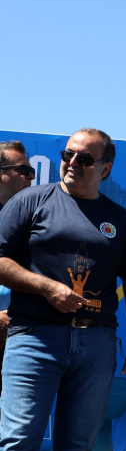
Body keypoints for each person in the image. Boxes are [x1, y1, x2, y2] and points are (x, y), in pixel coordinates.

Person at [0, 128, 126, 451]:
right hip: (34, 338)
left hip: (97, 344)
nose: (72, 162)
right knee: (16, 443)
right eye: (68, 154)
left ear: (106, 168)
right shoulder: (30, 201)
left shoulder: (120, 220)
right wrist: (46, 287)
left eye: (84, 158)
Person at [0, 140, 35, 392]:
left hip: (19, 338)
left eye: (31, 171)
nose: (31, 177)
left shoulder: (34, 221)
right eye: (23, 171)